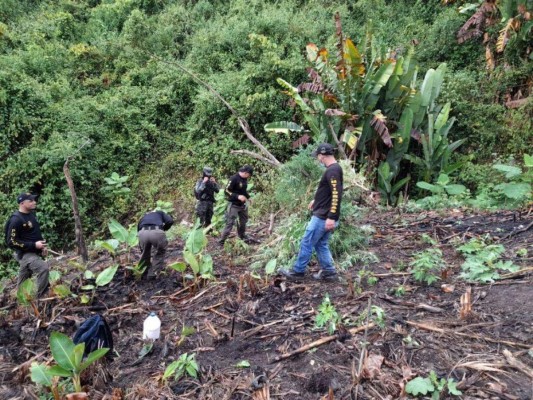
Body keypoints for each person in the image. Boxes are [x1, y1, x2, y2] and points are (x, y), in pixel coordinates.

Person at [280, 143, 343, 281]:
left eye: (318, 157)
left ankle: (298, 272)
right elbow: (329, 192)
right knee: (321, 244)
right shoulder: (334, 169)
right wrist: (317, 200)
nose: (318, 159)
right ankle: (329, 272)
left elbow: (337, 194)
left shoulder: (332, 171)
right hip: (324, 214)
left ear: (322, 156)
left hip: (323, 217)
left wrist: (331, 217)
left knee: (307, 242)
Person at [5, 193, 50, 298]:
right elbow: (11, 241)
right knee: (43, 268)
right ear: (22, 203)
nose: (34, 202)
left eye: (34, 200)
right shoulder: (16, 220)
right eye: (31, 201)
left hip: (33, 251)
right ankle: (41, 297)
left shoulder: (30, 215)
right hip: (25, 253)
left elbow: (33, 234)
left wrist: (42, 247)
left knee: (24, 277)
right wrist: (34, 245)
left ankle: (20, 298)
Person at [218, 165, 254, 245]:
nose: (249, 177)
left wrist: (249, 197)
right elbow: (226, 191)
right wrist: (237, 196)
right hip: (234, 205)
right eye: (249, 175)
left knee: (243, 221)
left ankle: (242, 236)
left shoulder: (244, 179)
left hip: (243, 205)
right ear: (246, 173)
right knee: (230, 223)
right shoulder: (234, 178)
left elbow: (243, 191)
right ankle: (222, 241)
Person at [137, 209, 174, 279]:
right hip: (157, 232)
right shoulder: (159, 213)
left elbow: (138, 230)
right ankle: (153, 273)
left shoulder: (144, 217)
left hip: (142, 233)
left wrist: (142, 249)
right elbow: (170, 221)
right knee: (160, 252)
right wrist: (164, 229)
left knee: (145, 253)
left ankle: (142, 272)